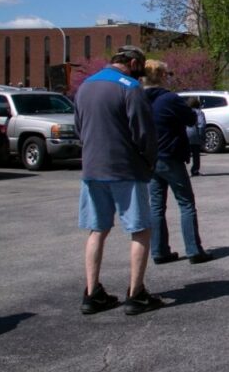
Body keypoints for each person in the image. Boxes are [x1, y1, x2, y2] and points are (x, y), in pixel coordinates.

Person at [75, 45, 161, 316]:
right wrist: (149, 161)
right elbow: (143, 131)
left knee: (97, 229)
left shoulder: (85, 86)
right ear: (133, 62)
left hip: (92, 168)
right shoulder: (130, 87)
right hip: (125, 169)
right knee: (140, 229)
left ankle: (92, 292)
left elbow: (79, 126)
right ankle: (136, 294)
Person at [143, 61, 212, 266]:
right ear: (161, 76)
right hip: (170, 156)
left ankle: (159, 251)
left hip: (149, 158)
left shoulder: (137, 99)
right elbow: (191, 118)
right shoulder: (168, 99)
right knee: (186, 203)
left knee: (156, 207)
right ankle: (193, 249)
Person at [185, 97, 205, 177]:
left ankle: (182, 171)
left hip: (184, 134)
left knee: (184, 153)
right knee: (196, 154)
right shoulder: (199, 112)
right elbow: (201, 125)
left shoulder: (185, 112)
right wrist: (202, 136)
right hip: (194, 134)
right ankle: (195, 170)